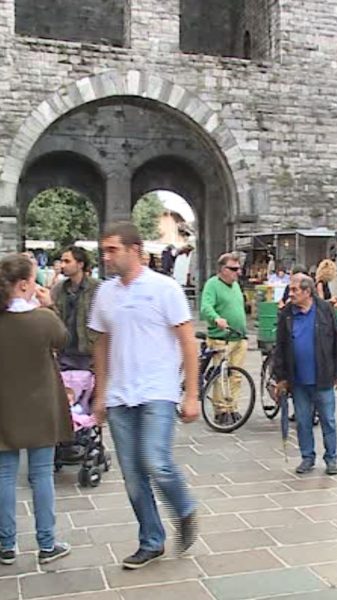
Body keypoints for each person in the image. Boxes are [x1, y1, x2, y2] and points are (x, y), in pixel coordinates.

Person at [89, 222, 200, 569]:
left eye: (112, 250)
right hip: (121, 395)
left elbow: (187, 342)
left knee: (155, 461)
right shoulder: (105, 293)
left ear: (134, 250)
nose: (106, 256)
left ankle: (184, 509)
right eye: (104, 250)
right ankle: (151, 540)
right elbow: (102, 343)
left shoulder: (164, 288)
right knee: (133, 475)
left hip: (157, 391)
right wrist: (100, 393)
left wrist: (192, 393)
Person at [0, 254, 73, 566]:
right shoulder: (43, 319)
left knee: (4, 475)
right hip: (41, 406)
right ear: (26, 284)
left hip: (4, 407)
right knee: (41, 475)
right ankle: (46, 544)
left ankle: (6, 544)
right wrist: (49, 304)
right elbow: (63, 339)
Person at [272, 274, 337, 475]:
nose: (291, 293)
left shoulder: (324, 310)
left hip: (322, 377)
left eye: (295, 290)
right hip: (298, 380)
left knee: (328, 420)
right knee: (303, 421)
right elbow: (280, 346)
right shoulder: (287, 313)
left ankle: (331, 458)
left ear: (307, 291)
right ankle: (307, 457)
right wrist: (280, 377)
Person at [199, 253, 249, 426]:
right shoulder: (213, 284)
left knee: (236, 376)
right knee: (221, 376)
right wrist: (216, 319)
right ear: (222, 269)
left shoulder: (235, 285)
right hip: (221, 338)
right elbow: (205, 307)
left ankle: (232, 407)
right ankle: (221, 410)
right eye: (233, 269)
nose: (238, 272)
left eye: (238, 269)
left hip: (238, 337)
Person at [51, 246, 99, 371]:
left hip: (88, 355)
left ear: (80, 264)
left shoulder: (97, 288)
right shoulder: (59, 288)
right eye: (61, 261)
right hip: (64, 353)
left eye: (67, 261)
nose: (62, 265)